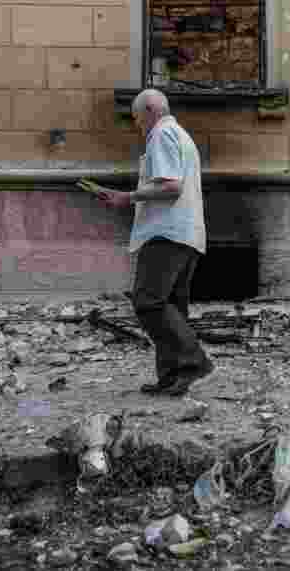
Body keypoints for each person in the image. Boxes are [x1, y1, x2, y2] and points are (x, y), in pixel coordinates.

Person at [91, 89, 212, 396]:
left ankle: (193, 362)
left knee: (148, 301)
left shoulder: (162, 133)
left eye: (137, 119)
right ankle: (173, 378)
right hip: (187, 233)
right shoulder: (181, 135)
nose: (137, 126)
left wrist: (127, 197)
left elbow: (171, 187)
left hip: (166, 233)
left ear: (149, 110)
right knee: (171, 307)